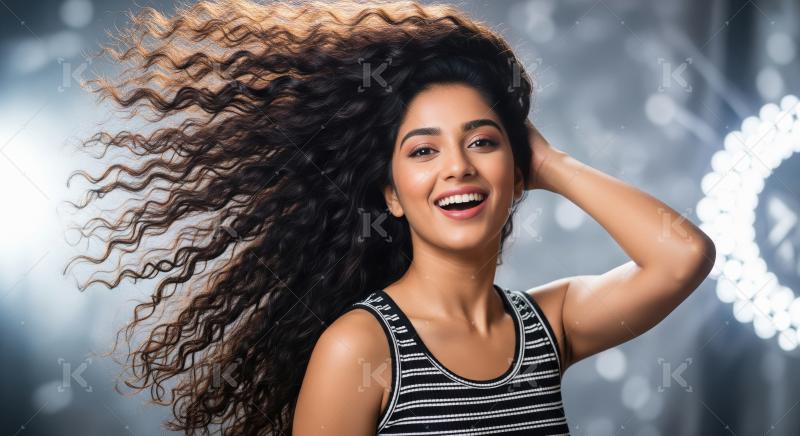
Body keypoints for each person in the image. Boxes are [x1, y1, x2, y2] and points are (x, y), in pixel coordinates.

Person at [66, 0, 716, 434]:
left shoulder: (550, 325)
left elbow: (683, 256)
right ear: (392, 195)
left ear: (516, 173)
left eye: (481, 141)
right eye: (423, 150)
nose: (457, 166)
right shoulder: (360, 348)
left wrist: (549, 161)